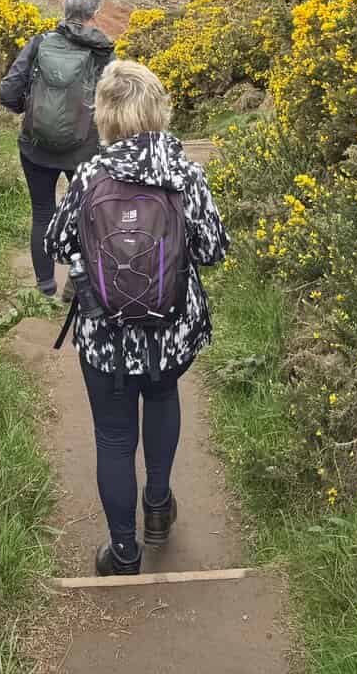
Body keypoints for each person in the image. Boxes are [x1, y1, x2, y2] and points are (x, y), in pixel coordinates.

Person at [45, 60, 228, 575]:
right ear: (158, 112)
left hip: (104, 333)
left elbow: (56, 242)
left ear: (105, 115)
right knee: (164, 398)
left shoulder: (89, 175)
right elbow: (213, 250)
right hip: (172, 333)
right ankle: (158, 507)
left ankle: (124, 551)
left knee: (113, 436)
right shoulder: (185, 174)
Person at [0, 0, 115, 296]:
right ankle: (76, 285)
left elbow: (8, 91)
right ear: (94, 14)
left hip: (35, 148)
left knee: (42, 211)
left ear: (66, 10)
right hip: (83, 151)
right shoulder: (103, 54)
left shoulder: (40, 43)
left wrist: (29, 109)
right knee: (86, 215)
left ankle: (44, 286)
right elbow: (114, 106)